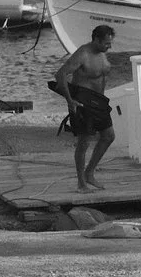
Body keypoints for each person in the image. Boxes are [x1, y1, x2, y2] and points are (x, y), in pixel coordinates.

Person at [51, 24, 118, 191]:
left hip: (99, 102)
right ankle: (81, 182)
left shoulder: (102, 54)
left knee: (109, 136)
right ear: (95, 39)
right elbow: (60, 74)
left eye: (110, 43)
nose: (109, 46)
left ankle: (90, 173)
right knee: (84, 142)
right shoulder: (83, 54)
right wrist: (70, 100)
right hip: (82, 103)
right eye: (106, 43)